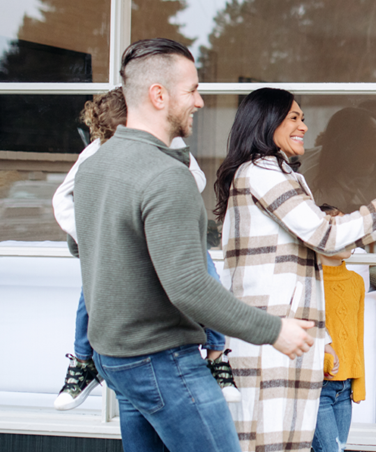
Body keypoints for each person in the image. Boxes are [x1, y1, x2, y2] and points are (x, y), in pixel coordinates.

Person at [72, 38, 315, 452]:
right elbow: (189, 287)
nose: (200, 101)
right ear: (158, 95)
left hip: (116, 357)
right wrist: (274, 330)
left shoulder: (95, 167)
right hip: (161, 358)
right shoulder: (166, 176)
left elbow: (82, 245)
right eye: (193, 90)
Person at [214, 87, 376, 452]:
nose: (305, 126)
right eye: (294, 118)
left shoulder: (283, 173)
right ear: (266, 122)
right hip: (269, 337)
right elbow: (324, 234)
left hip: (287, 338)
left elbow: (329, 244)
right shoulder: (261, 173)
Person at [52, 88, 241, 410]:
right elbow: (62, 198)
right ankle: (83, 361)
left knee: (205, 274)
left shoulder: (169, 145)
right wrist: (91, 236)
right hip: (121, 243)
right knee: (91, 291)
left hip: (164, 233)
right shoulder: (97, 153)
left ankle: (216, 354)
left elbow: (196, 178)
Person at [309, 204, 365, 452]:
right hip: (317, 389)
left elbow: (357, 337)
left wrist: (359, 382)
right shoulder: (308, 281)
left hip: (343, 390)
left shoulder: (355, 282)